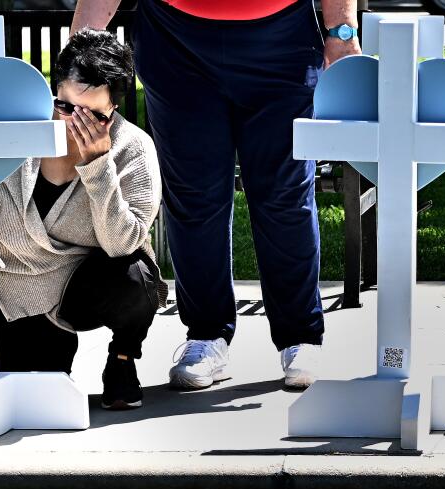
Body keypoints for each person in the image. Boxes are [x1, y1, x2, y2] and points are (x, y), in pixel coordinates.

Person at [72, 0, 360, 390]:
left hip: (282, 40)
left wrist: (341, 29)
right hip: (176, 41)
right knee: (193, 196)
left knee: (284, 194)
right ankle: (206, 336)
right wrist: (82, 46)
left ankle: (301, 337)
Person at [0, 28, 165, 410]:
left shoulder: (133, 148)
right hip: (15, 284)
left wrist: (97, 165)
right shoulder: (17, 131)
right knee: (31, 398)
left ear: (114, 109)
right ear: (53, 91)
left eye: (94, 114)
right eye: (66, 107)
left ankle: (122, 359)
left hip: (85, 282)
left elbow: (122, 244)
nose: (76, 123)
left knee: (136, 278)